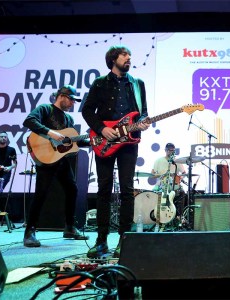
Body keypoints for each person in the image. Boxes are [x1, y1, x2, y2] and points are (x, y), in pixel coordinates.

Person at [82, 45, 150, 258]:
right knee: (104, 189)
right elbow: (86, 110)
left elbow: (143, 112)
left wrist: (142, 122)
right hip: (105, 140)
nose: (128, 58)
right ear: (113, 60)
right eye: (124, 56)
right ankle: (101, 240)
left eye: (130, 56)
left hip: (129, 143)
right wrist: (102, 128)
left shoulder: (138, 84)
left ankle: (124, 238)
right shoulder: (100, 83)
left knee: (127, 190)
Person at [22, 85, 90, 247]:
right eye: (72, 99)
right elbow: (29, 121)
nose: (73, 103)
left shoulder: (68, 119)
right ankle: (29, 231)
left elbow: (72, 141)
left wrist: (94, 141)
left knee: (72, 189)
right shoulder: (45, 109)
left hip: (61, 159)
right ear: (62, 96)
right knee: (41, 193)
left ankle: (69, 227)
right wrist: (50, 133)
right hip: (45, 157)